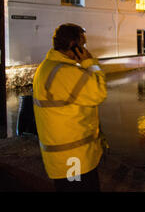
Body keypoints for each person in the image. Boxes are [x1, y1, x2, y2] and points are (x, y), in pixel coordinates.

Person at [33, 23, 107, 192]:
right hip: (74, 158)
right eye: (83, 44)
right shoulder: (66, 73)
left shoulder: (47, 67)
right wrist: (90, 62)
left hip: (61, 156)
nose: (85, 48)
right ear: (74, 46)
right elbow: (99, 92)